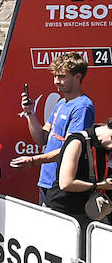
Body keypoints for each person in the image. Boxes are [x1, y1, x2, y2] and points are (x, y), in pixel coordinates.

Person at [13, 53, 95, 204]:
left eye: (62, 76)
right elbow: (41, 139)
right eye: (55, 76)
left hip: (63, 184)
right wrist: (30, 112)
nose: (57, 81)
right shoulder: (62, 103)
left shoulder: (82, 107)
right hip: (47, 181)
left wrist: (32, 160)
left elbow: (69, 151)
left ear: (77, 77)